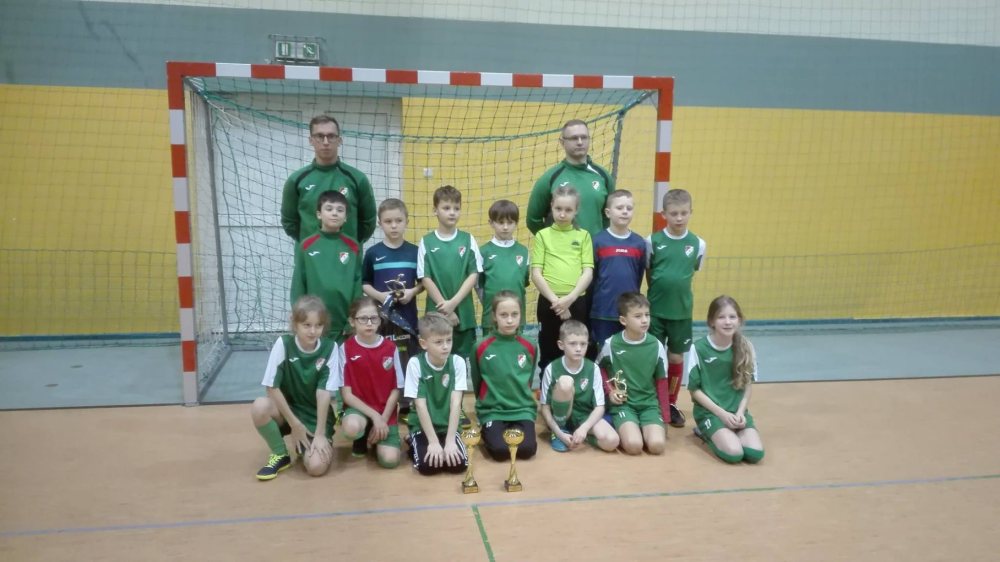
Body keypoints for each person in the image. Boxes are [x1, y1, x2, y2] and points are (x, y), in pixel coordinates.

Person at [249, 295, 339, 480]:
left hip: (315, 416)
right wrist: (295, 424)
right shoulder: (284, 344)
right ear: (295, 324)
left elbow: (324, 393)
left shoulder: (330, 348)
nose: (313, 331)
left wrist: (320, 434)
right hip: (288, 411)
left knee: (316, 467)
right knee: (260, 406)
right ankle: (280, 454)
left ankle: (308, 444)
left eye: (318, 325)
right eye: (307, 325)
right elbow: (271, 388)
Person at [646, 188, 706, 429]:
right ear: (664, 214)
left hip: (681, 313)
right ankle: (652, 400)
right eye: (674, 213)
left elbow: (692, 272)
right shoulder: (652, 242)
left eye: (683, 213)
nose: (679, 218)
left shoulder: (698, 244)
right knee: (653, 357)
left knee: (675, 357)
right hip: (655, 312)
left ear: (691, 212)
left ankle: (670, 401)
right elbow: (649, 271)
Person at [688, 295, 764, 464]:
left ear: (739, 320)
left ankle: (731, 430)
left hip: (736, 412)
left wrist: (740, 412)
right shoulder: (699, 348)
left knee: (755, 454)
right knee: (734, 453)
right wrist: (721, 414)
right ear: (711, 322)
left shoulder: (746, 347)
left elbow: (747, 385)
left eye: (732, 317)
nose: (728, 322)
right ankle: (704, 431)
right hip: (711, 412)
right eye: (721, 317)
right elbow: (694, 390)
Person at [417, 185, 483, 372]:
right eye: (446, 208)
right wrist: (445, 310)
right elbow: (425, 278)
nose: (452, 212)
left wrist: (453, 304)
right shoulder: (426, 241)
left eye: (456, 208)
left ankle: (458, 393)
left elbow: (474, 274)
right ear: (435, 210)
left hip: (463, 315)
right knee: (435, 361)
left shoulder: (468, 239)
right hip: (436, 315)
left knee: (461, 364)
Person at [280, 115, 377, 243]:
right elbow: (289, 222)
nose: (325, 142)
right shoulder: (296, 180)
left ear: (339, 140)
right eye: (319, 136)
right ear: (311, 140)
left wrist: (349, 244)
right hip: (310, 254)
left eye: (331, 136)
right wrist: (310, 245)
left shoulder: (357, 179)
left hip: (347, 254)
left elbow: (368, 222)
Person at [530, 185, 594, 371]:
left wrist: (570, 299)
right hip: (549, 303)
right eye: (558, 208)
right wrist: (556, 302)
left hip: (576, 302)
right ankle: (547, 388)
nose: (563, 214)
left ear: (576, 210)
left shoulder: (583, 236)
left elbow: (588, 272)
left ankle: (576, 387)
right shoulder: (542, 235)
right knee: (549, 350)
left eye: (568, 210)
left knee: (576, 350)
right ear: (551, 206)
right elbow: (536, 273)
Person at [596, 292, 668, 455]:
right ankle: (625, 426)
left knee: (657, 446)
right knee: (634, 446)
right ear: (623, 320)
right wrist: (610, 391)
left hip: (649, 405)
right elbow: (599, 370)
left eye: (647, 315)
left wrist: (665, 417)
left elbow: (662, 382)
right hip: (624, 405)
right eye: (638, 316)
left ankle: (639, 427)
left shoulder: (656, 345)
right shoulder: (611, 344)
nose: (644, 320)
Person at [471, 291, 538, 461]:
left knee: (527, 450)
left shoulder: (530, 346)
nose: (509, 320)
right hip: (493, 410)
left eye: (514, 314)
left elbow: (528, 379)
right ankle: (487, 427)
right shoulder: (480, 346)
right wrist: (485, 404)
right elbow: (477, 380)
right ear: (494, 316)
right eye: (503, 315)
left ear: (521, 315)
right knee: (500, 452)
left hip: (522, 409)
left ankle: (515, 426)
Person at [338, 297, 404, 468]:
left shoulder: (391, 348)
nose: (369, 323)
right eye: (363, 318)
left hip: (385, 411)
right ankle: (362, 435)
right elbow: (347, 395)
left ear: (379, 320)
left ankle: (376, 438)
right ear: (352, 321)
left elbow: (396, 389)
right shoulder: (345, 349)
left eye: (374, 318)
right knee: (351, 427)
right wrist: (375, 417)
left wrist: (382, 419)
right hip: (358, 410)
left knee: (390, 461)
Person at [290, 190, 362, 341]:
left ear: (346, 217)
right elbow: (299, 284)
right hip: (314, 324)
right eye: (329, 209)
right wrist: (299, 318)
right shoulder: (306, 245)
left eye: (340, 210)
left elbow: (357, 285)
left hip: (344, 324)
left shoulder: (353, 246)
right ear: (319, 214)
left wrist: (354, 319)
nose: (334, 213)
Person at [403, 312, 469, 476]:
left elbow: (456, 403)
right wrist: (433, 442)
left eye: (449, 340)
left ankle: (444, 441)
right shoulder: (415, 363)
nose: (445, 346)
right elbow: (420, 405)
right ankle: (414, 440)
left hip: (448, 426)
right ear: (423, 343)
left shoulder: (457, 362)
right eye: (439, 342)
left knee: (458, 465)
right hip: (422, 425)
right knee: (428, 467)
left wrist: (450, 441)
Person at [539, 320, 619, 453]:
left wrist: (584, 428)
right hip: (560, 418)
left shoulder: (593, 368)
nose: (578, 349)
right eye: (572, 344)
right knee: (565, 382)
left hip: (584, 416)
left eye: (583, 344)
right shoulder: (551, 368)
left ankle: (580, 436)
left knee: (612, 441)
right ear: (561, 345)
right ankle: (561, 430)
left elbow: (599, 407)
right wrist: (558, 433)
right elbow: (545, 408)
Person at [526, 119, 615, 237]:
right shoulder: (550, 178)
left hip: (594, 248)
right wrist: (551, 241)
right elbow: (533, 220)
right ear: (562, 142)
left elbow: (609, 216)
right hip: (560, 249)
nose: (580, 142)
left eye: (584, 137)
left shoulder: (603, 176)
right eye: (574, 138)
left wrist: (601, 242)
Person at [361, 198, 421, 372]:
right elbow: (364, 283)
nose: (394, 225)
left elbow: (423, 283)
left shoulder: (415, 252)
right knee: (381, 363)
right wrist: (381, 297)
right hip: (380, 320)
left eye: (398, 221)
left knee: (407, 363)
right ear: (380, 224)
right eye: (388, 221)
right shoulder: (372, 253)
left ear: (407, 222)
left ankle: (406, 391)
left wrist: (412, 292)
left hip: (408, 319)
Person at [589, 189, 647, 349]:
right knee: (604, 353)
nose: (625, 211)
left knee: (628, 351)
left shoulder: (639, 243)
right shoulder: (597, 241)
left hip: (630, 312)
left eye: (629, 208)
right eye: (620, 208)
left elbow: (638, 276)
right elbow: (591, 278)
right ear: (608, 212)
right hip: (603, 312)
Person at [478, 199, 530, 334]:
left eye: (510, 222)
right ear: (491, 223)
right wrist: (492, 305)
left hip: (516, 319)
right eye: (501, 222)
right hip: (491, 318)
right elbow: (479, 285)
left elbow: (523, 283)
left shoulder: (523, 251)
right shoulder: (483, 252)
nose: (505, 227)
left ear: (516, 223)